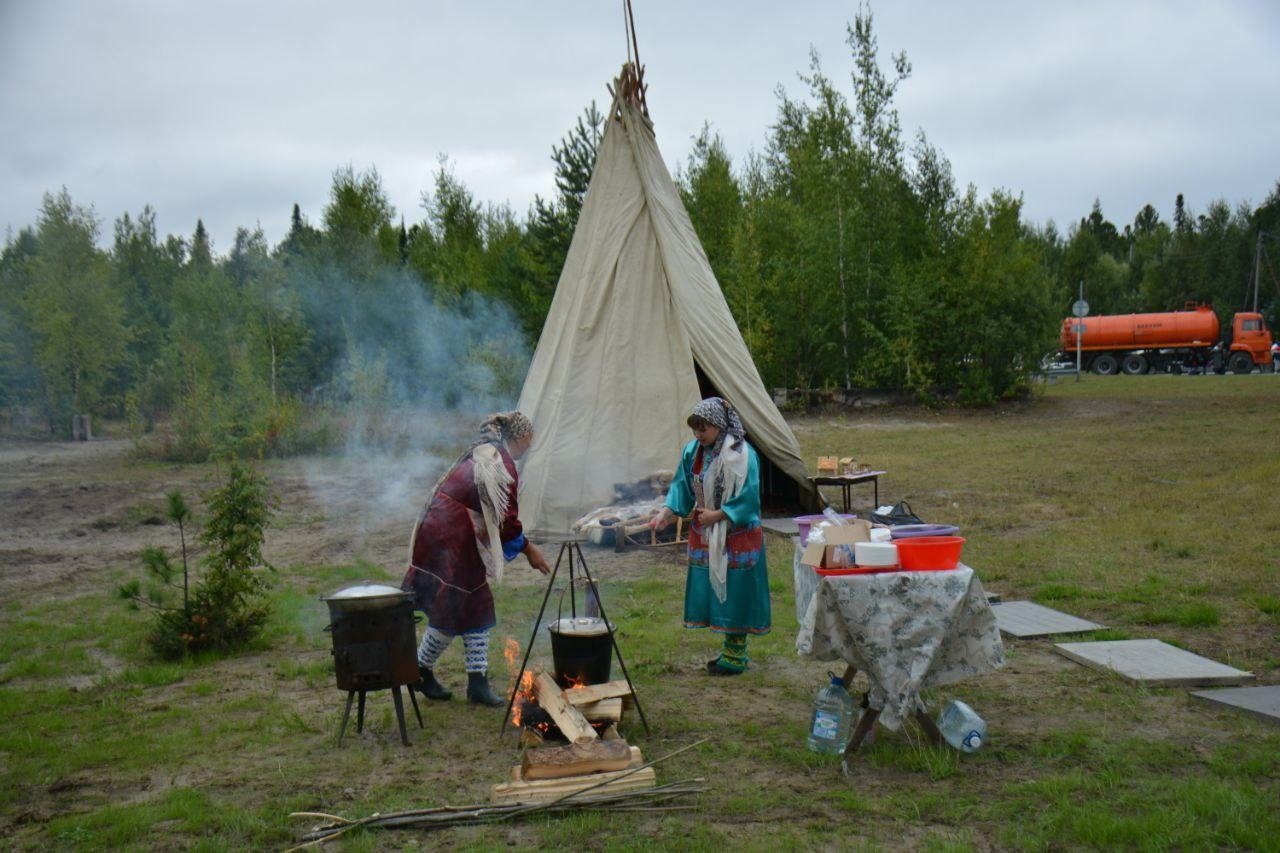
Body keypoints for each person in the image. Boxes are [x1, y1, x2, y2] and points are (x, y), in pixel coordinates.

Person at [401, 411, 551, 705]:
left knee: (471, 607)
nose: (531, 446)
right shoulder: (499, 462)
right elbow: (505, 519)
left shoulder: (486, 452)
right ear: (520, 438)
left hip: (444, 531)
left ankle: (474, 681)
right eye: (530, 440)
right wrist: (529, 549)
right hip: (451, 536)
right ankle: (422, 670)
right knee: (457, 608)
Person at [650, 397, 770, 676]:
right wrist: (666, 513)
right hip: (707, 532)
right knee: (715, 587)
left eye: (703, 429)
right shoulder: (693, 451)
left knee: (737, 588)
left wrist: (718, 514)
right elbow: (682, 485)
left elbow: (749, 497)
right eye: (695, 429)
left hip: (737, 532)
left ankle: (736, 653)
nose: (698, 435)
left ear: (719, 426)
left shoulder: (742, 455)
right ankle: (730, 648)